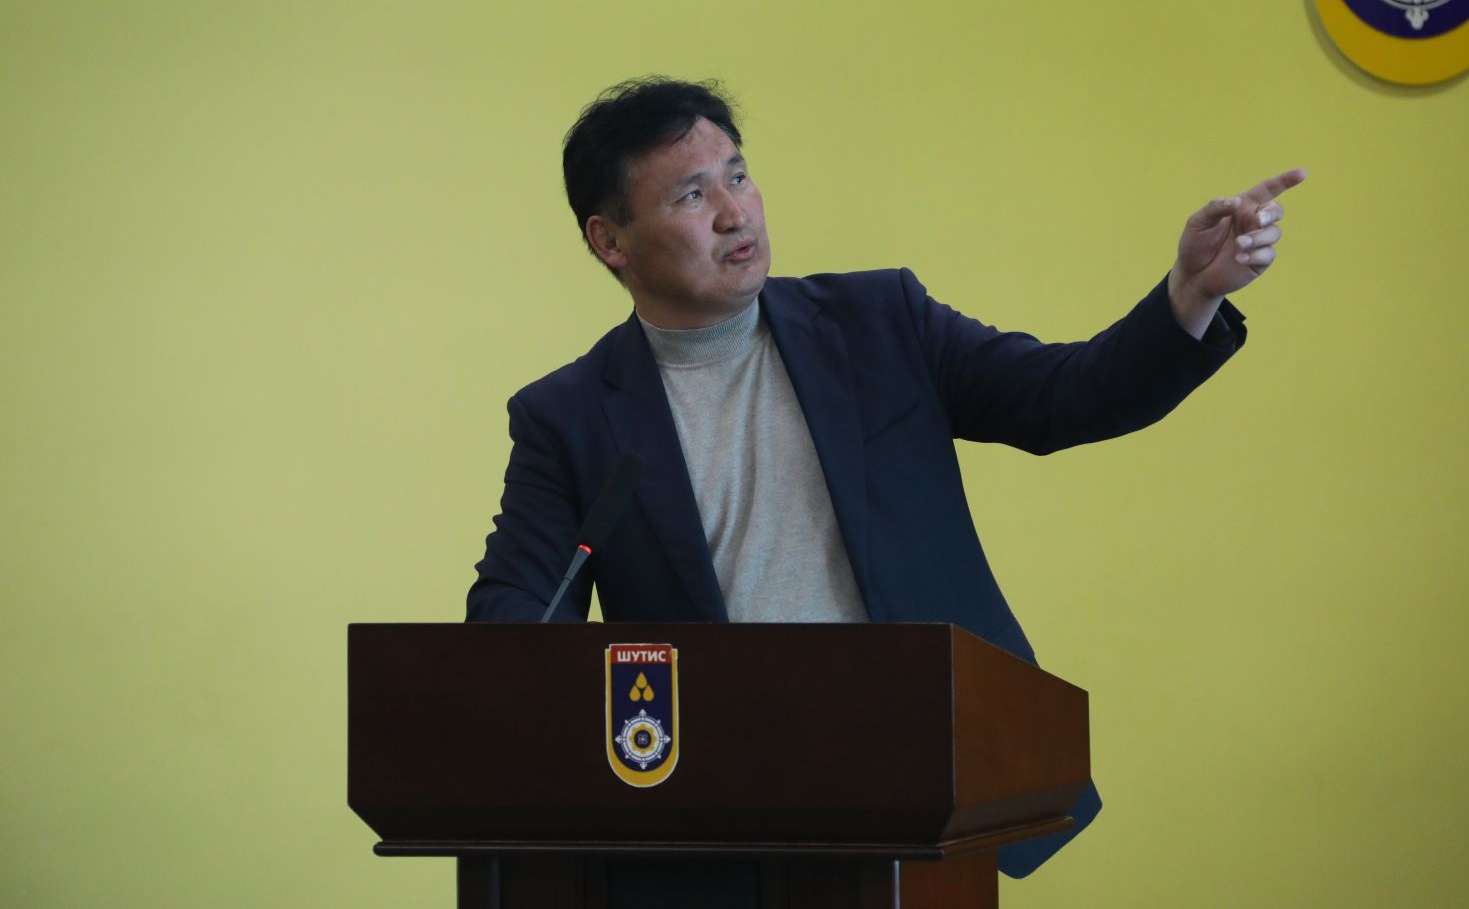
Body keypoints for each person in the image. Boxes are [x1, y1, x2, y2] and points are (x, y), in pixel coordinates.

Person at [467, 77, 1300, 878]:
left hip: (919, 781)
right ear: (609, 240)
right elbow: (516, 612)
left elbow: (1066, 396)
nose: (733, 212)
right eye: (691, 195)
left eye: (738, 176)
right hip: (713, 810)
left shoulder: (879, 323)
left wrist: (1188, 293)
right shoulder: (570, 417)